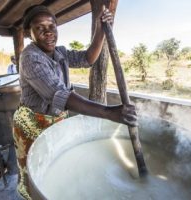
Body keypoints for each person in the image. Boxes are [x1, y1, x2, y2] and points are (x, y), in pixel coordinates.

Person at [13, 5, 137, 200]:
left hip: (56, 118)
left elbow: (88, 58)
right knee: (35, 171)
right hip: (32, 123)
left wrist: (100, 30)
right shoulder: (29, 58)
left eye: (52, 26)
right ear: (29, 33)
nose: (48, 32)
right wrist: (110, 113)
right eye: (40, 28)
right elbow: (60, 94)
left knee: (58, 162)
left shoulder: (60, 52)